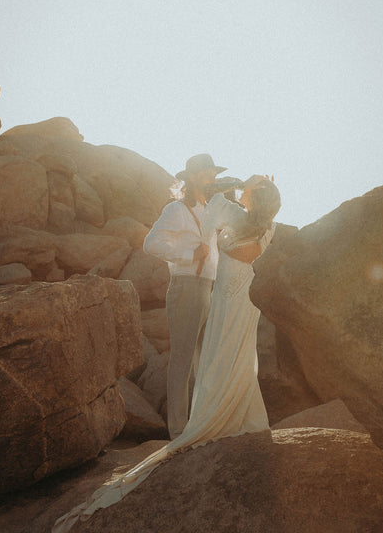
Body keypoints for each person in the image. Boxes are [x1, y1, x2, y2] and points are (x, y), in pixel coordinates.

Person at [52, 175, 282, 532]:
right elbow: (192, 234)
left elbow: (241, 251)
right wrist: (207, 236)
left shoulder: (262, 224)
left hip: (236, 297)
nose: (239, 187)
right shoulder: (212, 211)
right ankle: (191, 421)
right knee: (203, 357)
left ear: (260, 196)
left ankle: (223, 414)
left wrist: (221, 235)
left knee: (227, 355)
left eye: (250, 186)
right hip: (217, 293)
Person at [142, 153, 226, 438]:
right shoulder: (177, 209)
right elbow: (151, 243)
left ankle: (199, 423)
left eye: (213, 172)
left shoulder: (210, 209)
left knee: (204, 359)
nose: (212, 177)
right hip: (187, 286)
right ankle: (178, 430)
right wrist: (189, 255)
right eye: (207, 172)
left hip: (208, 287)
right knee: (183, 358)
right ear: (192, 177)